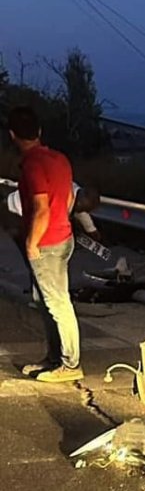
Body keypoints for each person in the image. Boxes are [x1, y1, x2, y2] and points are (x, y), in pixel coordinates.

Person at [7, 106, 83, 382]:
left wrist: (31, 242)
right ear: (38, 132)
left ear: (13, 135)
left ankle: (70, 364)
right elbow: (68, 199)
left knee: (57, 302)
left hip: (47, 242)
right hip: (63, 236)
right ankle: (54, 358)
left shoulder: (32, 165)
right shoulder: (59, 159)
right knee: (46, 301)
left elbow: (41, 208)